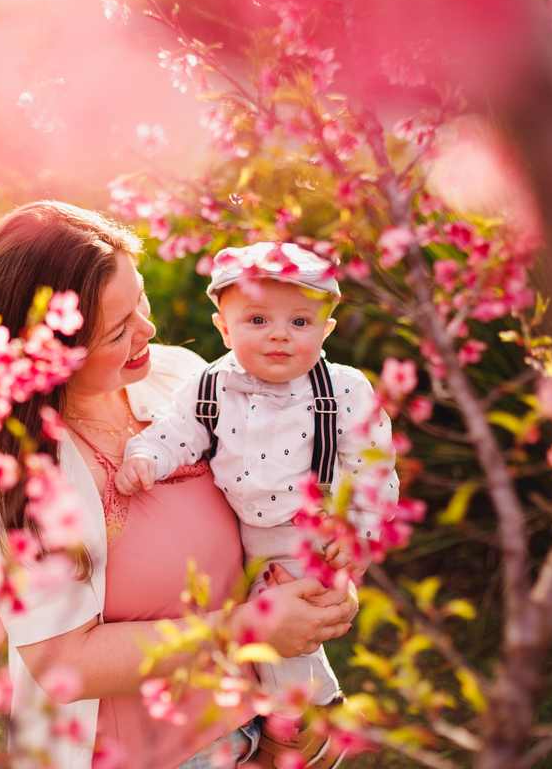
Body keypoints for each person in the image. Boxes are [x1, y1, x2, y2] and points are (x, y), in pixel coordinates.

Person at [0, 202, 357, 769]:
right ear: (49, 357)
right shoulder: (17, 471)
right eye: (117, 331)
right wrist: (252, 628)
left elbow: (273, 486)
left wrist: (321, 568)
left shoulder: (182, 377)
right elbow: (63, 663)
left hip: (254, 730)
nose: (146, 330)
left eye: (138, 299)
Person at [116, 242, 399, 767]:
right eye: (258, 319)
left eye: (300, 322)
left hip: (310, 532)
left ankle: (305, 718)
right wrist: (146, 458)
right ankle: (303, 716)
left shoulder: (343, 391)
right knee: (260, 618)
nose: (279, 334)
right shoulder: (209, 385)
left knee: (287, 611)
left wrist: (360, 533)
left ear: (326, 331)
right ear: (224, 328)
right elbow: (176, 433)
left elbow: (373, 467)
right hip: (241, 533)